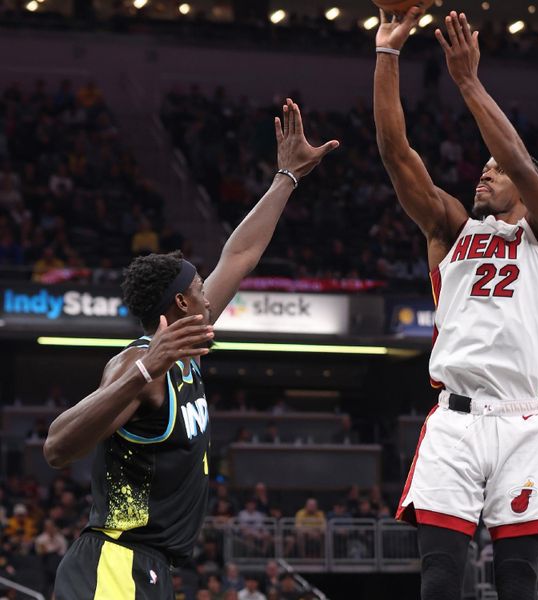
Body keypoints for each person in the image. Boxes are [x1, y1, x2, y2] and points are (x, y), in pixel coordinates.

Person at [45, 100, 339, 599]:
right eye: (201, 287)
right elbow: (56, 447)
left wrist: (286, 177)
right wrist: (144, 372)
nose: (210, 292)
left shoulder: (185, 345)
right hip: (114, 563)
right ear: (182, 302)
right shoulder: (139, 363)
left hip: (150, 567)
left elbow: (240, 255)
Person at [374, 9, 538, 600]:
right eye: (481, 168)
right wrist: (388, 54)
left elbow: (513, 157)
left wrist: (468, 82)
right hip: (456, 422)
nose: (484, 173)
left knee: (518, 582)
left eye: (496, 171)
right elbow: (395, 152)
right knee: (439, 579)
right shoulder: (451, 229)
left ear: (528, 186)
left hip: (522, 421)